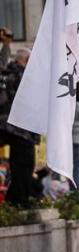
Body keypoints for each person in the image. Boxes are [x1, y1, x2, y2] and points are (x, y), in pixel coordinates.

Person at [0, 47, 39, 206]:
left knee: (19, 166)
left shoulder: (6, 73)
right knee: (24, 165)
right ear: (27, 60)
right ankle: (19, 200)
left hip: (7, 125)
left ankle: (16, 199)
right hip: (21, 128)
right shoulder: (23, 76)